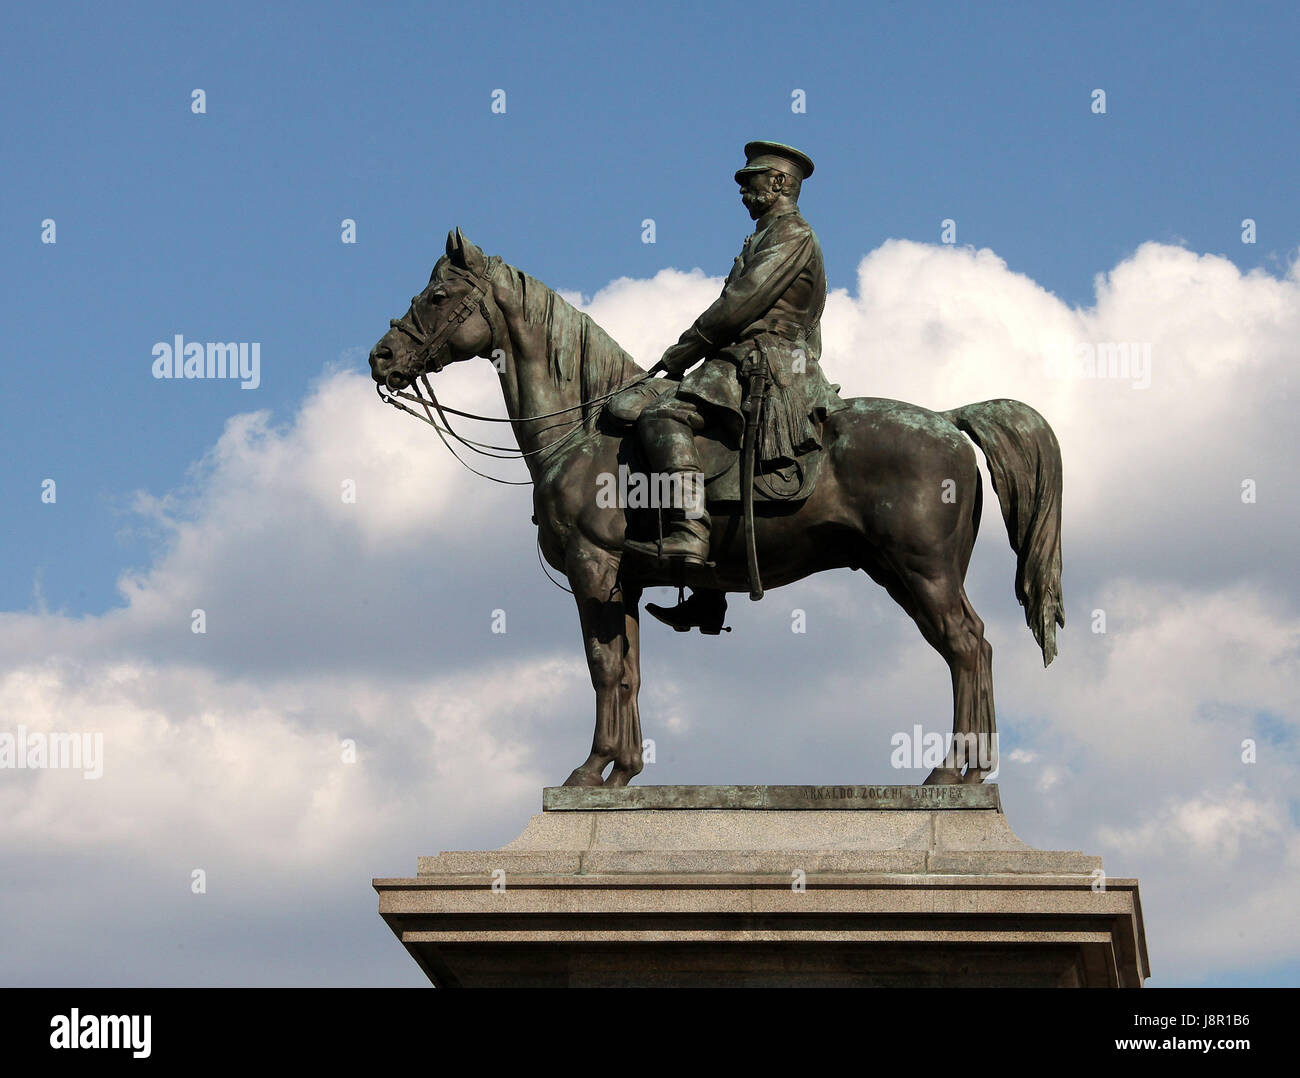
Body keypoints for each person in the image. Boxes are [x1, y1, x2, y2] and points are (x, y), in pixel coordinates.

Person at [622, 141, 843, 633]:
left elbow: (741, 303)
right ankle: (708, 595)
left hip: (764, 360)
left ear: (781, 184)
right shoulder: (765, 235)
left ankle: (689, 532)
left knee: (664, 416)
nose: (743, 189)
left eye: (752, 179)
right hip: (754, 357)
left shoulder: (791, 233)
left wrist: (682, 352)